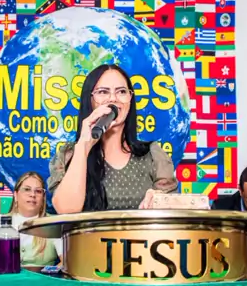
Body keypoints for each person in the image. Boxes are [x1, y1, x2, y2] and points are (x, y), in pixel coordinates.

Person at [48, 63, 178, 213]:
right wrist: (83, 146)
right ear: (89, 100)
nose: (113, 99)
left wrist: (159, 199)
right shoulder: (70, 155)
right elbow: (67, 209)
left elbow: (172, 212)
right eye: (103, 92)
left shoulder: (152, 155)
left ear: (130, 99)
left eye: (121, 91)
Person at [0, 171, 62, 272]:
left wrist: (49, 274)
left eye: (38, 191)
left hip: (41, 281)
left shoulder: (53, 223)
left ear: (43, 197)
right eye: (27, 189)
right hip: (5, 281)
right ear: (16, 195)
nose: (32, 195)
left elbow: (67, 262)